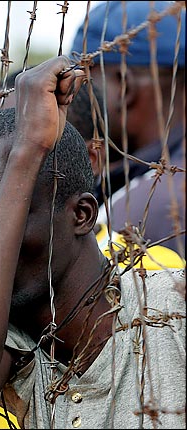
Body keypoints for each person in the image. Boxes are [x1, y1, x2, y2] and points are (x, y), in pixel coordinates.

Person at [0, 57, 185, 429]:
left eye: (3, 212)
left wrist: (26, 150)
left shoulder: (168, 306)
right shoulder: (10, 342)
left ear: (82, 215)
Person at [70, 1, 185, 254]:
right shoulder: (143, 181)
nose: (73, 101)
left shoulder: (138, 211)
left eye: (83, 85)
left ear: (124, 85)